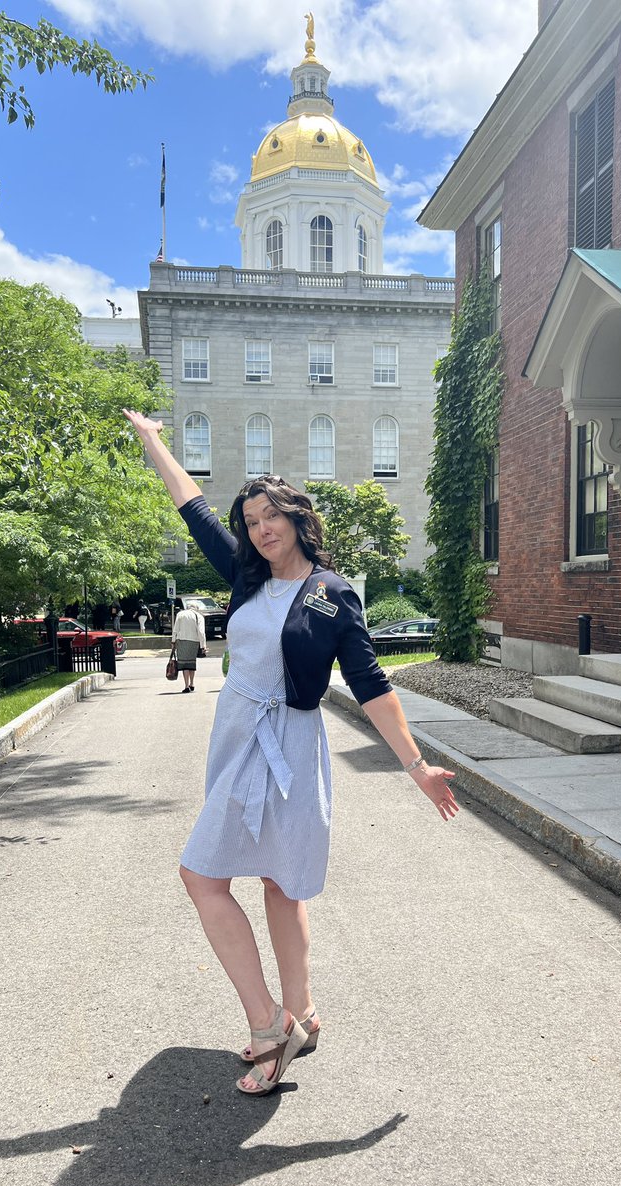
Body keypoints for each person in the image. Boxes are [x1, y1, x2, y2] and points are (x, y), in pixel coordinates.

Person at [123, 408, 458, 1097]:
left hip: (293, 745)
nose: (259, 528)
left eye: (270, 515)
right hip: (238, 736)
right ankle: (286, 1016)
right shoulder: (246, 577)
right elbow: (191, 507)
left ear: (298, 517)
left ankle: (280, 1021)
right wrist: (152, 440)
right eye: (250, 520)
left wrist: (417, 766)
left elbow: (370, 684)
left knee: (275, 880)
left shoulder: (332, 597)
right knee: (209, 877)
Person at [172, 602, 206, 692]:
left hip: (181, 641)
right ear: (196, 608)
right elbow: (201, 632)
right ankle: (192, 683)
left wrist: (173, 641)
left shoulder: (180, 614)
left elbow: (175, 629)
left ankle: (186, 685)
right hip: (194, 641)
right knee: (191, 662)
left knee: (184, 664)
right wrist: (203, 645)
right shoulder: (199, 616)